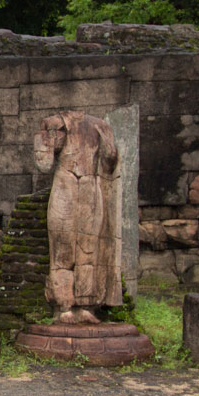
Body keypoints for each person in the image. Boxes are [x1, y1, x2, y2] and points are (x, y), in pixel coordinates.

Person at [34, 110, 122, 324]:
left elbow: (110, 163)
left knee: (89, 248)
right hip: (66, 185)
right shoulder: (56, 124)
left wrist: (107, 143)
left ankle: (85, 303)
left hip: (91, 187)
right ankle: (63, 304)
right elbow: (44, 163)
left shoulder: (101, 126)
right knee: (62, 247)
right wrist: (45, 138)